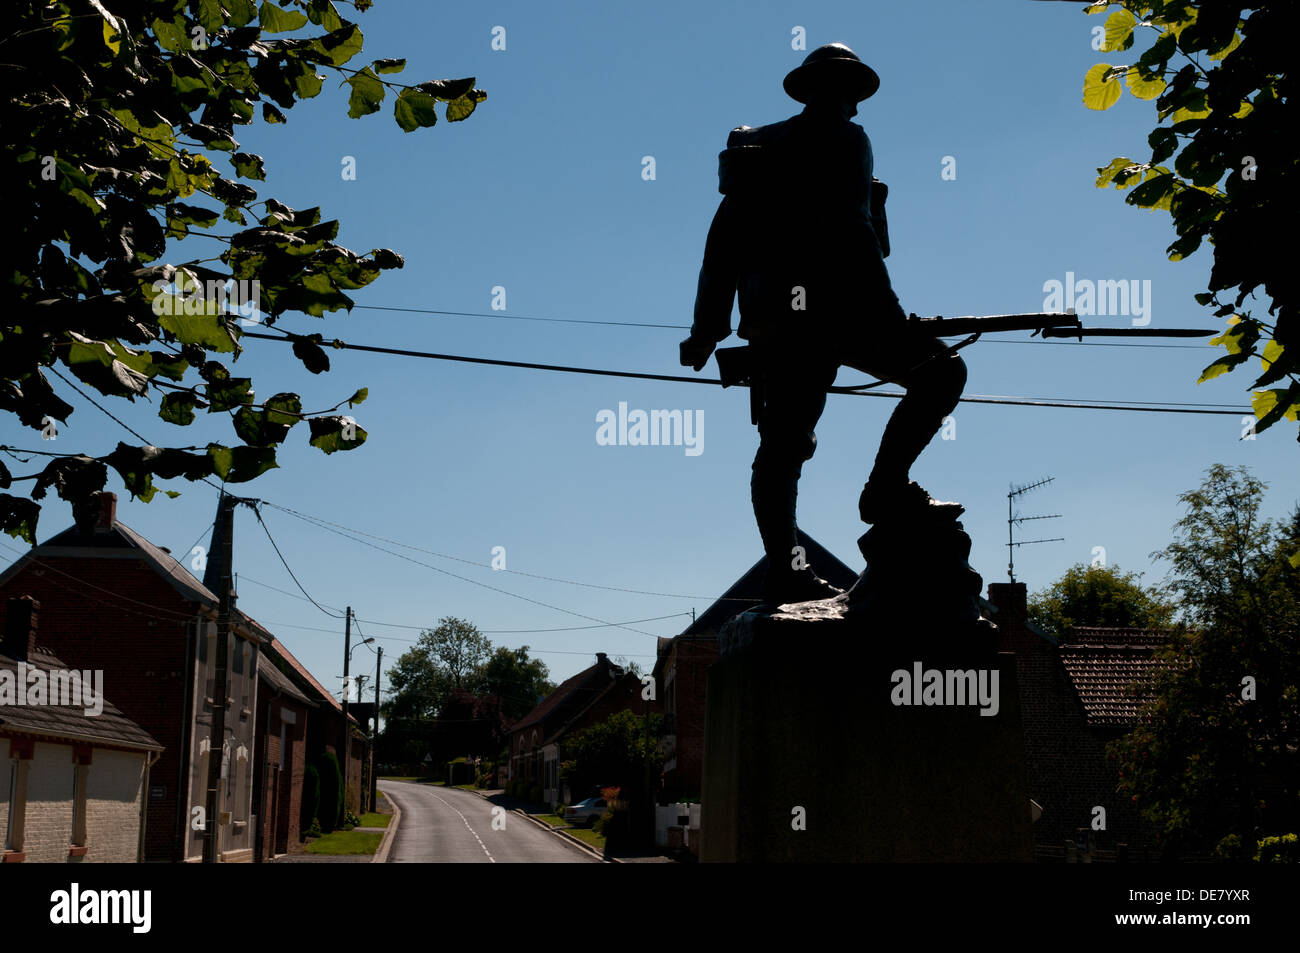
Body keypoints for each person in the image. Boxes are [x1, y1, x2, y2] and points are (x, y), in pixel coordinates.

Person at [681, 43, 966, 605]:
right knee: (941, 372)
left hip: (774, 316)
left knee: (782, 446)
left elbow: (722, 245)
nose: (853, 104)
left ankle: (788, 568)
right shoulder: (846, 140)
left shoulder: (757, 146)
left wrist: (707, 328)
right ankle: (883, 492)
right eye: (850, 93)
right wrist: (890, 317)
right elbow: (856, 236)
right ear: (839, 94)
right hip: (838, 313)